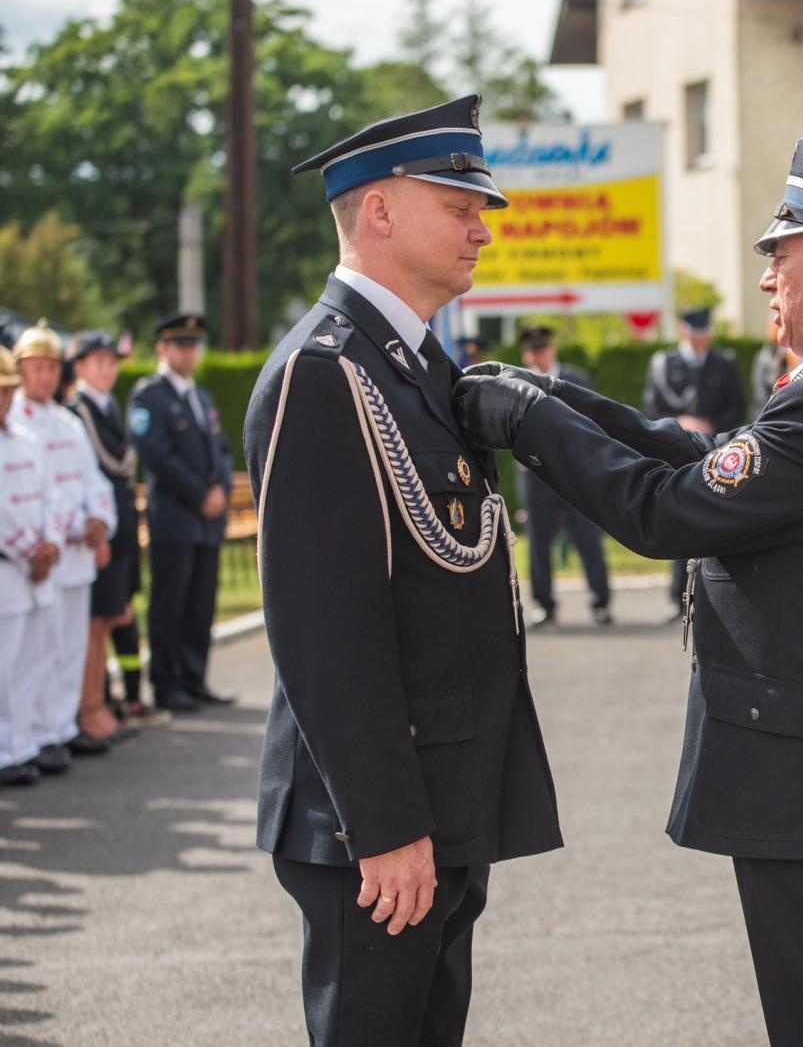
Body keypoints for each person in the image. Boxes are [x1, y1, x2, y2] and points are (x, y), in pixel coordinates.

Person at [455, 137, 803, 1046]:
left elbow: (666, 513)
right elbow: (705, 458)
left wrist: (529, 422)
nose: (767, 277)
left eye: (782, 255)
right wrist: (564, 399)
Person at [242, 94, 563, 1045]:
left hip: (441, 799)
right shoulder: (326, 372)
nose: (481, 229)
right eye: (458, 206)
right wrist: (380, 826)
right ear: (378, 210)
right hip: (375, 828)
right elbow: (323, 630)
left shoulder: (412, 369)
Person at [8, 321, 117, 768]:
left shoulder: (69, 424)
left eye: (52, 367)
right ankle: (29, 735)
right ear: (20, 371)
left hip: (73, 557)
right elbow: (36, 494)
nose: (46, 377)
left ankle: (60, 727)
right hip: (34, 560)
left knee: (68, 647)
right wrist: (64, 532)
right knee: (34, 653)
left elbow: (94, 483)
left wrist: (98, 520)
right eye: (36, 367)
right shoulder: (13, 422)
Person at [128, 314, 234, 713]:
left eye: (193, 344)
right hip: (174, 517)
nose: (189, 352)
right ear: (162, 348)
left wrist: (221, 490)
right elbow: (156, 456)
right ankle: (167, 682)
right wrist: (199, 494)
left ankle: (193, 678)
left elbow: (221, 450)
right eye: (180, 345)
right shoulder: (149, 396)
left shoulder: (200, 397)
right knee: (169, 603)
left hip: (206, 520)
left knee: (200, 603)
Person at [67, 331, 153, 739]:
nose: (106, 369)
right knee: (94, 624)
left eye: (110, 361)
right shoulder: (77, 409)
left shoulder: (108, 408)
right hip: (95, 531)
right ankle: (90, 708)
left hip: (116, 527)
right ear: (79, 366)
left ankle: (100, 705)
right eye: (96, 361)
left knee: (108, 620)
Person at [643, 306, 745, 617]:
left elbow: (737, 407)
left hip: (716, 451)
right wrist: (679, 423)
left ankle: (713, 597)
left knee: (714, 519)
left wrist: (713, 427)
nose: (701, 340)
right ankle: (679, 599)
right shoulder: (663, 363)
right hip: (677, 452)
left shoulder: (724, 364)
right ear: (682, 331)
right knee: (678, 519)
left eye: (705, 334)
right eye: (696, 334)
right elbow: (650, 409)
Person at [517, 324, 612, 626]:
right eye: (532, 350)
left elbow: (592, 424)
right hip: (536, 473)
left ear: (552, 349)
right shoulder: (514, 381)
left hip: (574, 472)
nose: (537, 355)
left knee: (587, 537)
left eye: (541, 348)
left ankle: (601, 601)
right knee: (538, 542)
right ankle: (544, 604)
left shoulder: (575, 380)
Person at [0, 345, 61, 786]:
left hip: (30, 571)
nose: (3, 399)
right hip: (9, 567)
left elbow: (50, 497)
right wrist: (29, 550)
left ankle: (21, 744)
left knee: (27, 663)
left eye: (6, 391)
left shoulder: (26, 440)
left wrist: (51, 544)